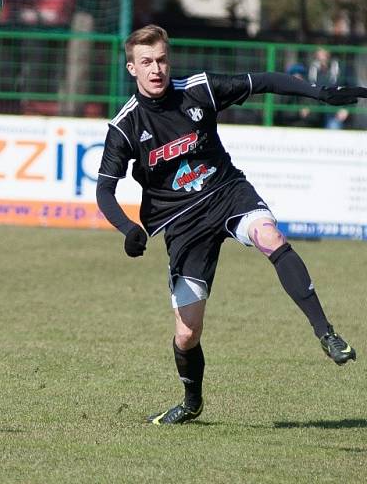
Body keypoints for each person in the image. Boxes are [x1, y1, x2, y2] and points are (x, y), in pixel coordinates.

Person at [96, 25, 363, 425]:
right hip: (182, 224)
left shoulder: (199, 89)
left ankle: (326, 333)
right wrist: (128, 229)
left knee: (270, 235)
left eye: (162, 60)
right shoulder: (125, 126)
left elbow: (264, 81)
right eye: (147, 62)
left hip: (227, 192)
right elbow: (104, 191)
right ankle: (192, 402)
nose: (157, 69)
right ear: (132, 68)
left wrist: (317, 91)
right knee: (187, 334)